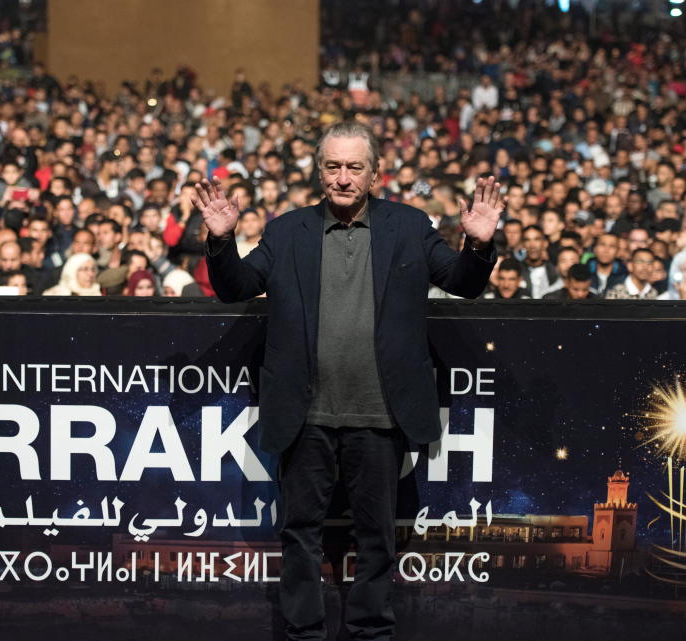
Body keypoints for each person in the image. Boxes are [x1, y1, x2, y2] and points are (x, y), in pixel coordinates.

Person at [194, 121, 499, 641]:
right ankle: (303, 633)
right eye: (332, 166)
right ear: (319, 172)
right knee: (300, 537)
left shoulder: (409, 226)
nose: (342, 177)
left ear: (375, 173)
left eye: (354, 167)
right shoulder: (288, 230)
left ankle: (369, 634)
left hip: (381, 415)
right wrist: (222, 242)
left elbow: (461, 283)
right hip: (304, 414)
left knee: (377, 540)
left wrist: (477, 245)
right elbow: (236, 288)